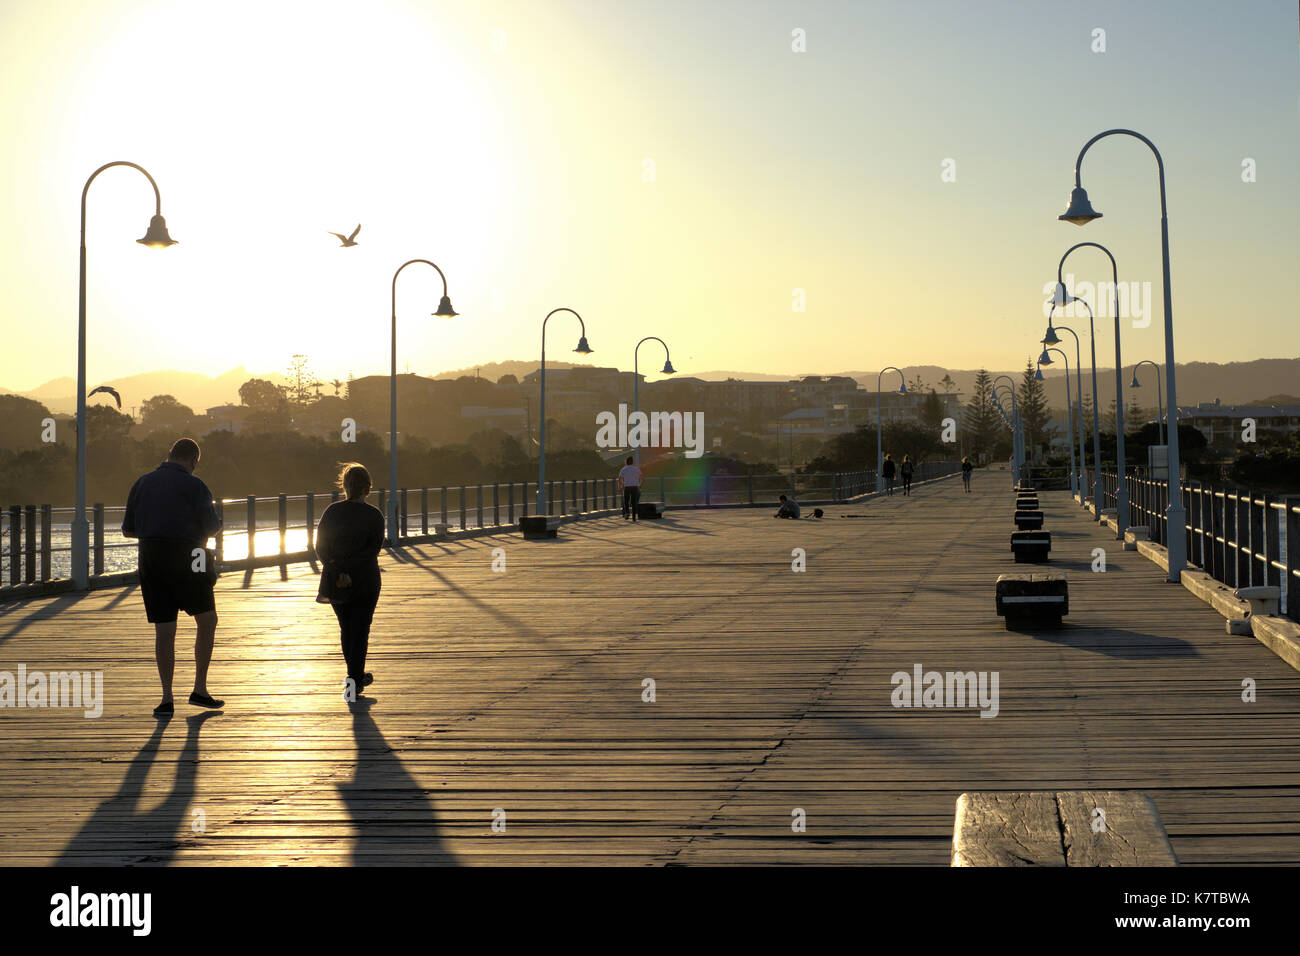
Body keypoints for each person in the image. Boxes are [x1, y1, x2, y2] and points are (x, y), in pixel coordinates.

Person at [122, 437, 224, 717]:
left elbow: (128, 530)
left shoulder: (142, 482)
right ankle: (199, 689)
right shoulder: (195, 485)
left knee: (164, 630)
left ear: (169, 455)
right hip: (190, 557)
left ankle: (167, 697)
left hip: (152, 558)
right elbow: (212, 527)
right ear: (194, 461)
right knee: (207, 619)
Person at [316, 462, 385, 696]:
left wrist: (338, 569)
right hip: (365, 579)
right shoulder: (374, 515)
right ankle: (355, 677)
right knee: (361, 629)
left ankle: (355, 676)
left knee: (346, 629)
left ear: (344, 486)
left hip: (335, 580)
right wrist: (350, 569)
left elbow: (321, 548)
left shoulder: (332, 512)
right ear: (368, 489)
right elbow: (372, 551)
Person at [618, 455, 643, 521]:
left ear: (626, 462)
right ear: (632, 462)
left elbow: (620, 478)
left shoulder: (623, 469)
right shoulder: (636, 468)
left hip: (627, 487)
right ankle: (634, 517)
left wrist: (620, 486)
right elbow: (642, 477)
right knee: (634, 502)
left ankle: (627, 513)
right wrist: (639, 485)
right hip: (635, 487)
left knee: (626, 501)